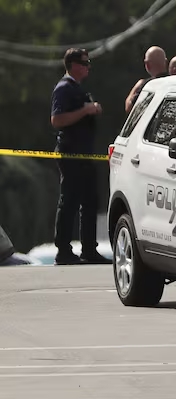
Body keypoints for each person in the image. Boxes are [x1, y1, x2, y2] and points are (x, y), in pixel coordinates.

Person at [50, 48, 111, 265]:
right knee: (69, 202)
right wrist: (85, 110)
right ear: (74, 65)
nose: (88, 67)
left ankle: (89, 249)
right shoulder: (64, 88)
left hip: (84, 154)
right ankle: (63, 251)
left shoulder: (76, 88)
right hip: (71, 153)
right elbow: (57, 120)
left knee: (90, 201)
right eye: (85, 63)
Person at [125, 46, 168, 113]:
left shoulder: (147, 86)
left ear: (147, 65)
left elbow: (130, 108)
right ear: (165, 62)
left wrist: (136, 87)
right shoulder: (175, 83)